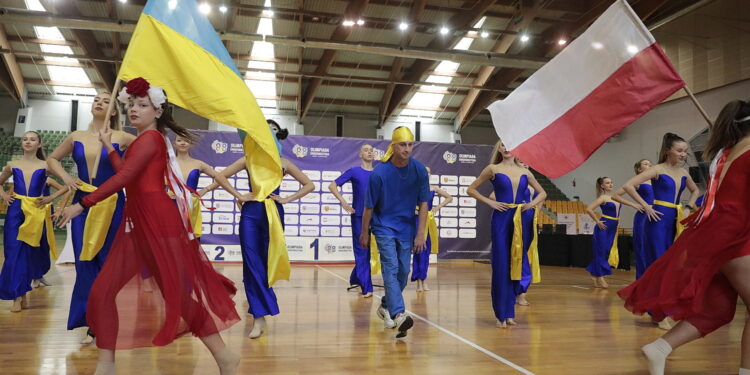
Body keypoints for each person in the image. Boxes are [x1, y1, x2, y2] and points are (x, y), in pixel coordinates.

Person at [57, 78, 241, 374]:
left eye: (142, 105)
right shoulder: (141, 141)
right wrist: (110, 148)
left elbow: (123, 179)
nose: (134, 109)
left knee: (176, 296)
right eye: (131, 104)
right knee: (102, 292)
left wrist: (82, 204)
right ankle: (107, 365)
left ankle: (225, 357)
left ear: (157, 111)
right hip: (138, 222)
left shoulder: (152, 139)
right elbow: (129, 175)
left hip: (158, 222)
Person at [618, 99, 750, 375]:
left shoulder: (727, 153)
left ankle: (660, 348)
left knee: (719, 309)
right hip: (734, 235)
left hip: (714, 232)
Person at [205, 119, 314, 339]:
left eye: (273, 130)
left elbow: (309, 184)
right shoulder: (249, 159)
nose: (269, 134)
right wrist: (238, 195)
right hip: (250, 213)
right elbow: (220, 175)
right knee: (251, 264)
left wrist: (286, 199)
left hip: (273, 214)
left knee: (266, 264)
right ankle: (258, 316)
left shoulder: (283, 162)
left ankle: (261, 310)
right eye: (265, 130)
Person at [47, 91, 135, 344]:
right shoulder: (77, 136)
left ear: (115, 111)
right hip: (82, 205)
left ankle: (102, 320)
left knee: (107, 263)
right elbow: (52, 159)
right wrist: (66, 179)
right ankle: (89, 320)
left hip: (112, 204)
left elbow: (140, 163)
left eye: (107, 100)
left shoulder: (124, 138)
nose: (99, 102)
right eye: (96, 99)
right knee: (84, 261)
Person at [360, 126, 430, 338]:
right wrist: (364, 233)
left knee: (403, 273)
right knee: (390, 267)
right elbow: (369, 207)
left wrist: (421, 233)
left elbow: (424, 203)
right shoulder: (379, 173)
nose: (407, 149)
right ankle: (399, 314)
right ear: (393, 145)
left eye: (410, 145)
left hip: (407, 228)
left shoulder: (418, 170)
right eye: (402, 144)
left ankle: (384, 305)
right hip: (383, 226)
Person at [467, 140, 546, 328]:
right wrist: (490, 202)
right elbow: (471, 189)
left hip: (522, 219)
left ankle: (510, 313)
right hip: (501, 218)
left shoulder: (526, 172)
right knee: (502, 264)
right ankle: (500, 314)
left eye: (510, 144)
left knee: (516, 263)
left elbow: (542, 193)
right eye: (503, 145)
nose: (507, 147)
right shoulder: (492, 168)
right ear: (499, 149)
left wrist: (531, 206)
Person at [0, 132, 66, 312]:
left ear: (39, 144)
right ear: (22, 143)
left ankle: (22, 293)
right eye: (24, 138)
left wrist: (51, 198)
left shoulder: (47, 165)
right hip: (16, 210)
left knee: (28, 254)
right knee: (13, 253)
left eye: (32, 139)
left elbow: (69, 185)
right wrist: (4, 195)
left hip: (36, 211)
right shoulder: (12, 165)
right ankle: (16, 295)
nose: (27, 141)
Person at [328, 144, 375, 297]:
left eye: (371, 150)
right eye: (366, 150)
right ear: (360, 154)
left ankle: (356, 277)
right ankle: (367, 287)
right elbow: (332, 185)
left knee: (371, 252)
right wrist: (343, 201)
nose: (370, 152)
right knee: (362, 249)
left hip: (377, 217)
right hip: (359, 217)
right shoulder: (354, 171)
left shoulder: (379, 173)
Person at [172, 135, 239, 238]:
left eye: (186, 140)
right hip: (171, 204)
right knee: (170, 240)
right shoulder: (167, 162)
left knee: (190, 241)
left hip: (191, 205)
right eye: (179, 140)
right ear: (174, 144)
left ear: (191, 143)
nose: (182, 143)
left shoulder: (199, 164)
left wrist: (206, 189)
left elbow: (220, 177)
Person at [584, 177, 640, 288]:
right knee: (601, 251)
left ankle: (594, 273)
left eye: (611, 182)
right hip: (603, 227)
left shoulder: (616, 197)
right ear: (602, 186)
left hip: (613, 227)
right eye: (607, 183)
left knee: (606, 252)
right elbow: (589, 209)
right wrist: (597, 221)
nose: (610, 184)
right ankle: (600, 276)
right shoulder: (603, 197)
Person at [411, 166, 452, 292]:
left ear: (430, 175)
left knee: (426, 251)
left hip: (429, 221)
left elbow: (449, 197)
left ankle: (424, 279)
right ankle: (418, 281)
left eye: (428, 172)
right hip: (417, 221)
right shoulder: (413, 188)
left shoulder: (433, 188)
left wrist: (436, 208)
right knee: (419, 251)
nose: (426, 174)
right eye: (424, 172)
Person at [514, 160, 545, 306]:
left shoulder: (532, 181)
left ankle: (520, 290)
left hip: (529, 218)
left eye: (527, 162)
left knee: (524, 251)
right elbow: (493, 195)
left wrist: (535, 208)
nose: (525, 163)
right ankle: (519, 291)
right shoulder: (515, 179)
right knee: (517, 252)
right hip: (515, 217)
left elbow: (542, 195)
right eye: (521, 161)